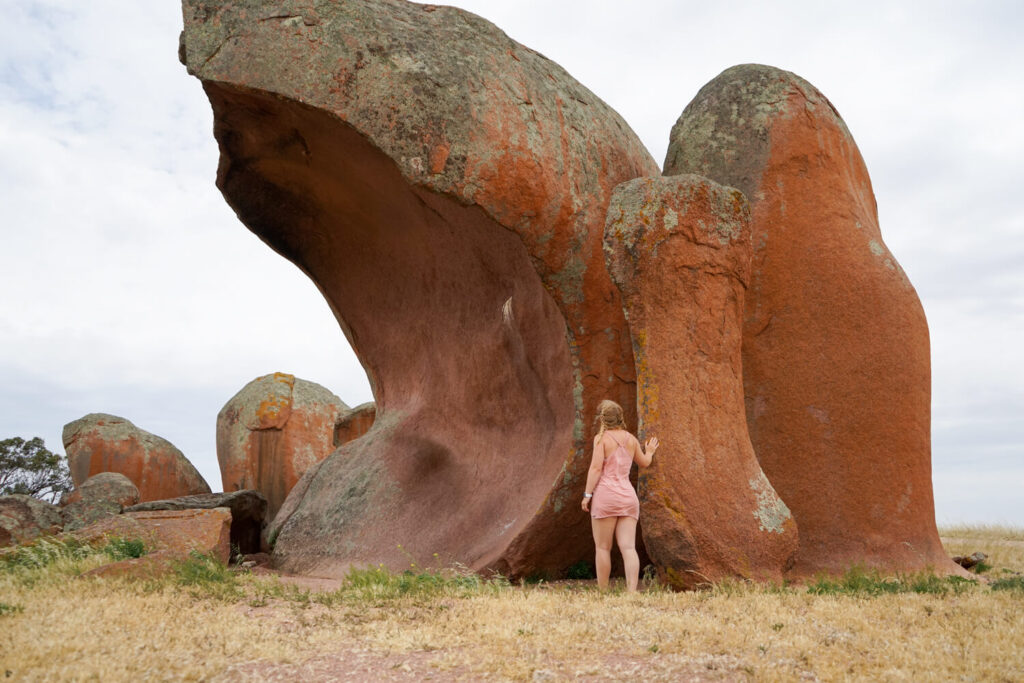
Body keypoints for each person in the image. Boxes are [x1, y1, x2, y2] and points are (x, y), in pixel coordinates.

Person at [581, 399, 658, 591]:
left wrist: (587, 494)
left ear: (602, 419)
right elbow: (645, 462)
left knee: (603, 547)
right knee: (628, 547)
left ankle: (603, 590)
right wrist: (649, 451)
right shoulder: (631, 439)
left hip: (605, 497)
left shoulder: (601, 439)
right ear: (620, 417)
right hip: (628, 498)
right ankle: (632, 591)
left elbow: (596, 468)